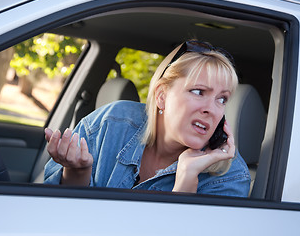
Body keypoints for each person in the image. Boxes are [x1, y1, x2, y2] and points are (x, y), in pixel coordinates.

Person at [44, 40, 250, 197]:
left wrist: (187, 179)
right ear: (162, 95)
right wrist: (77, 171)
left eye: (222, 99)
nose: (212, 109)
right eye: (198, 92)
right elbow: (56, 214)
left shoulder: (230, 177)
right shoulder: (110, 123)